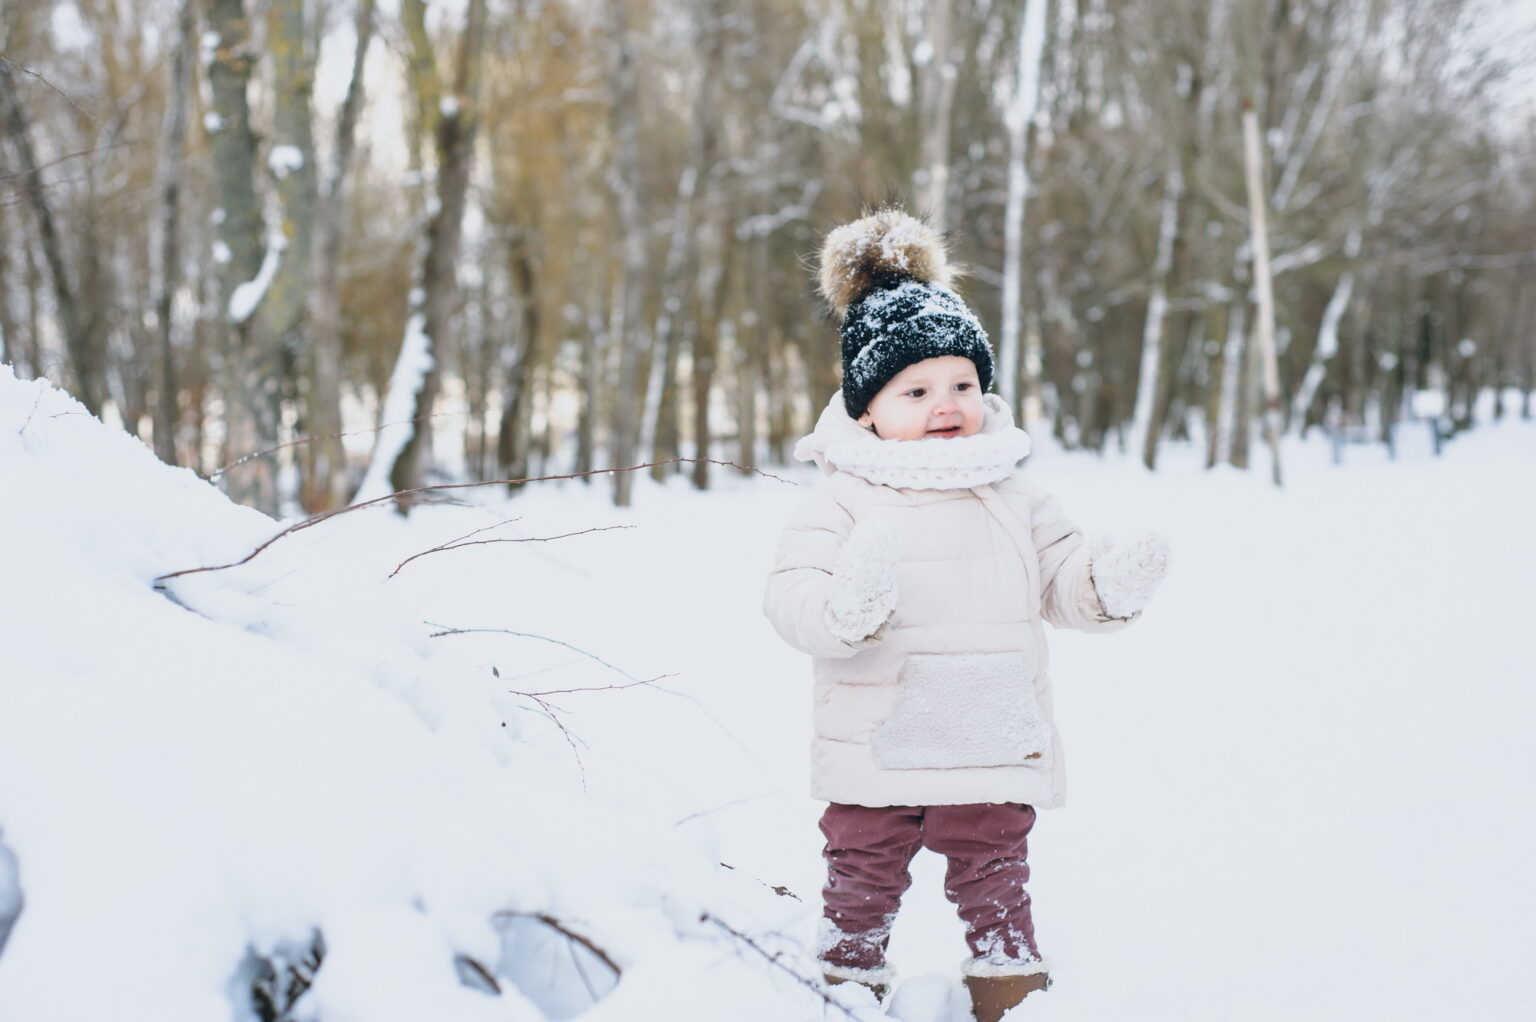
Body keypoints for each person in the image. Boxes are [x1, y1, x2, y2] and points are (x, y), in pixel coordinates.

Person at [762, 207, 1169, 1022]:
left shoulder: (1015, 493)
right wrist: (843, 609)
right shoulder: (843, 497)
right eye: (916, 390)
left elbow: (1062, 578)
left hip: (985, 733)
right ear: (868, 409)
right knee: (860, 876)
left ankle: (1009, 989)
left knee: (995, 880)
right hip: (876, 742)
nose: (946, 404)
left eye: (962, 385)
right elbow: (789, 594)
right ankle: (845, 987)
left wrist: (1103, 588)